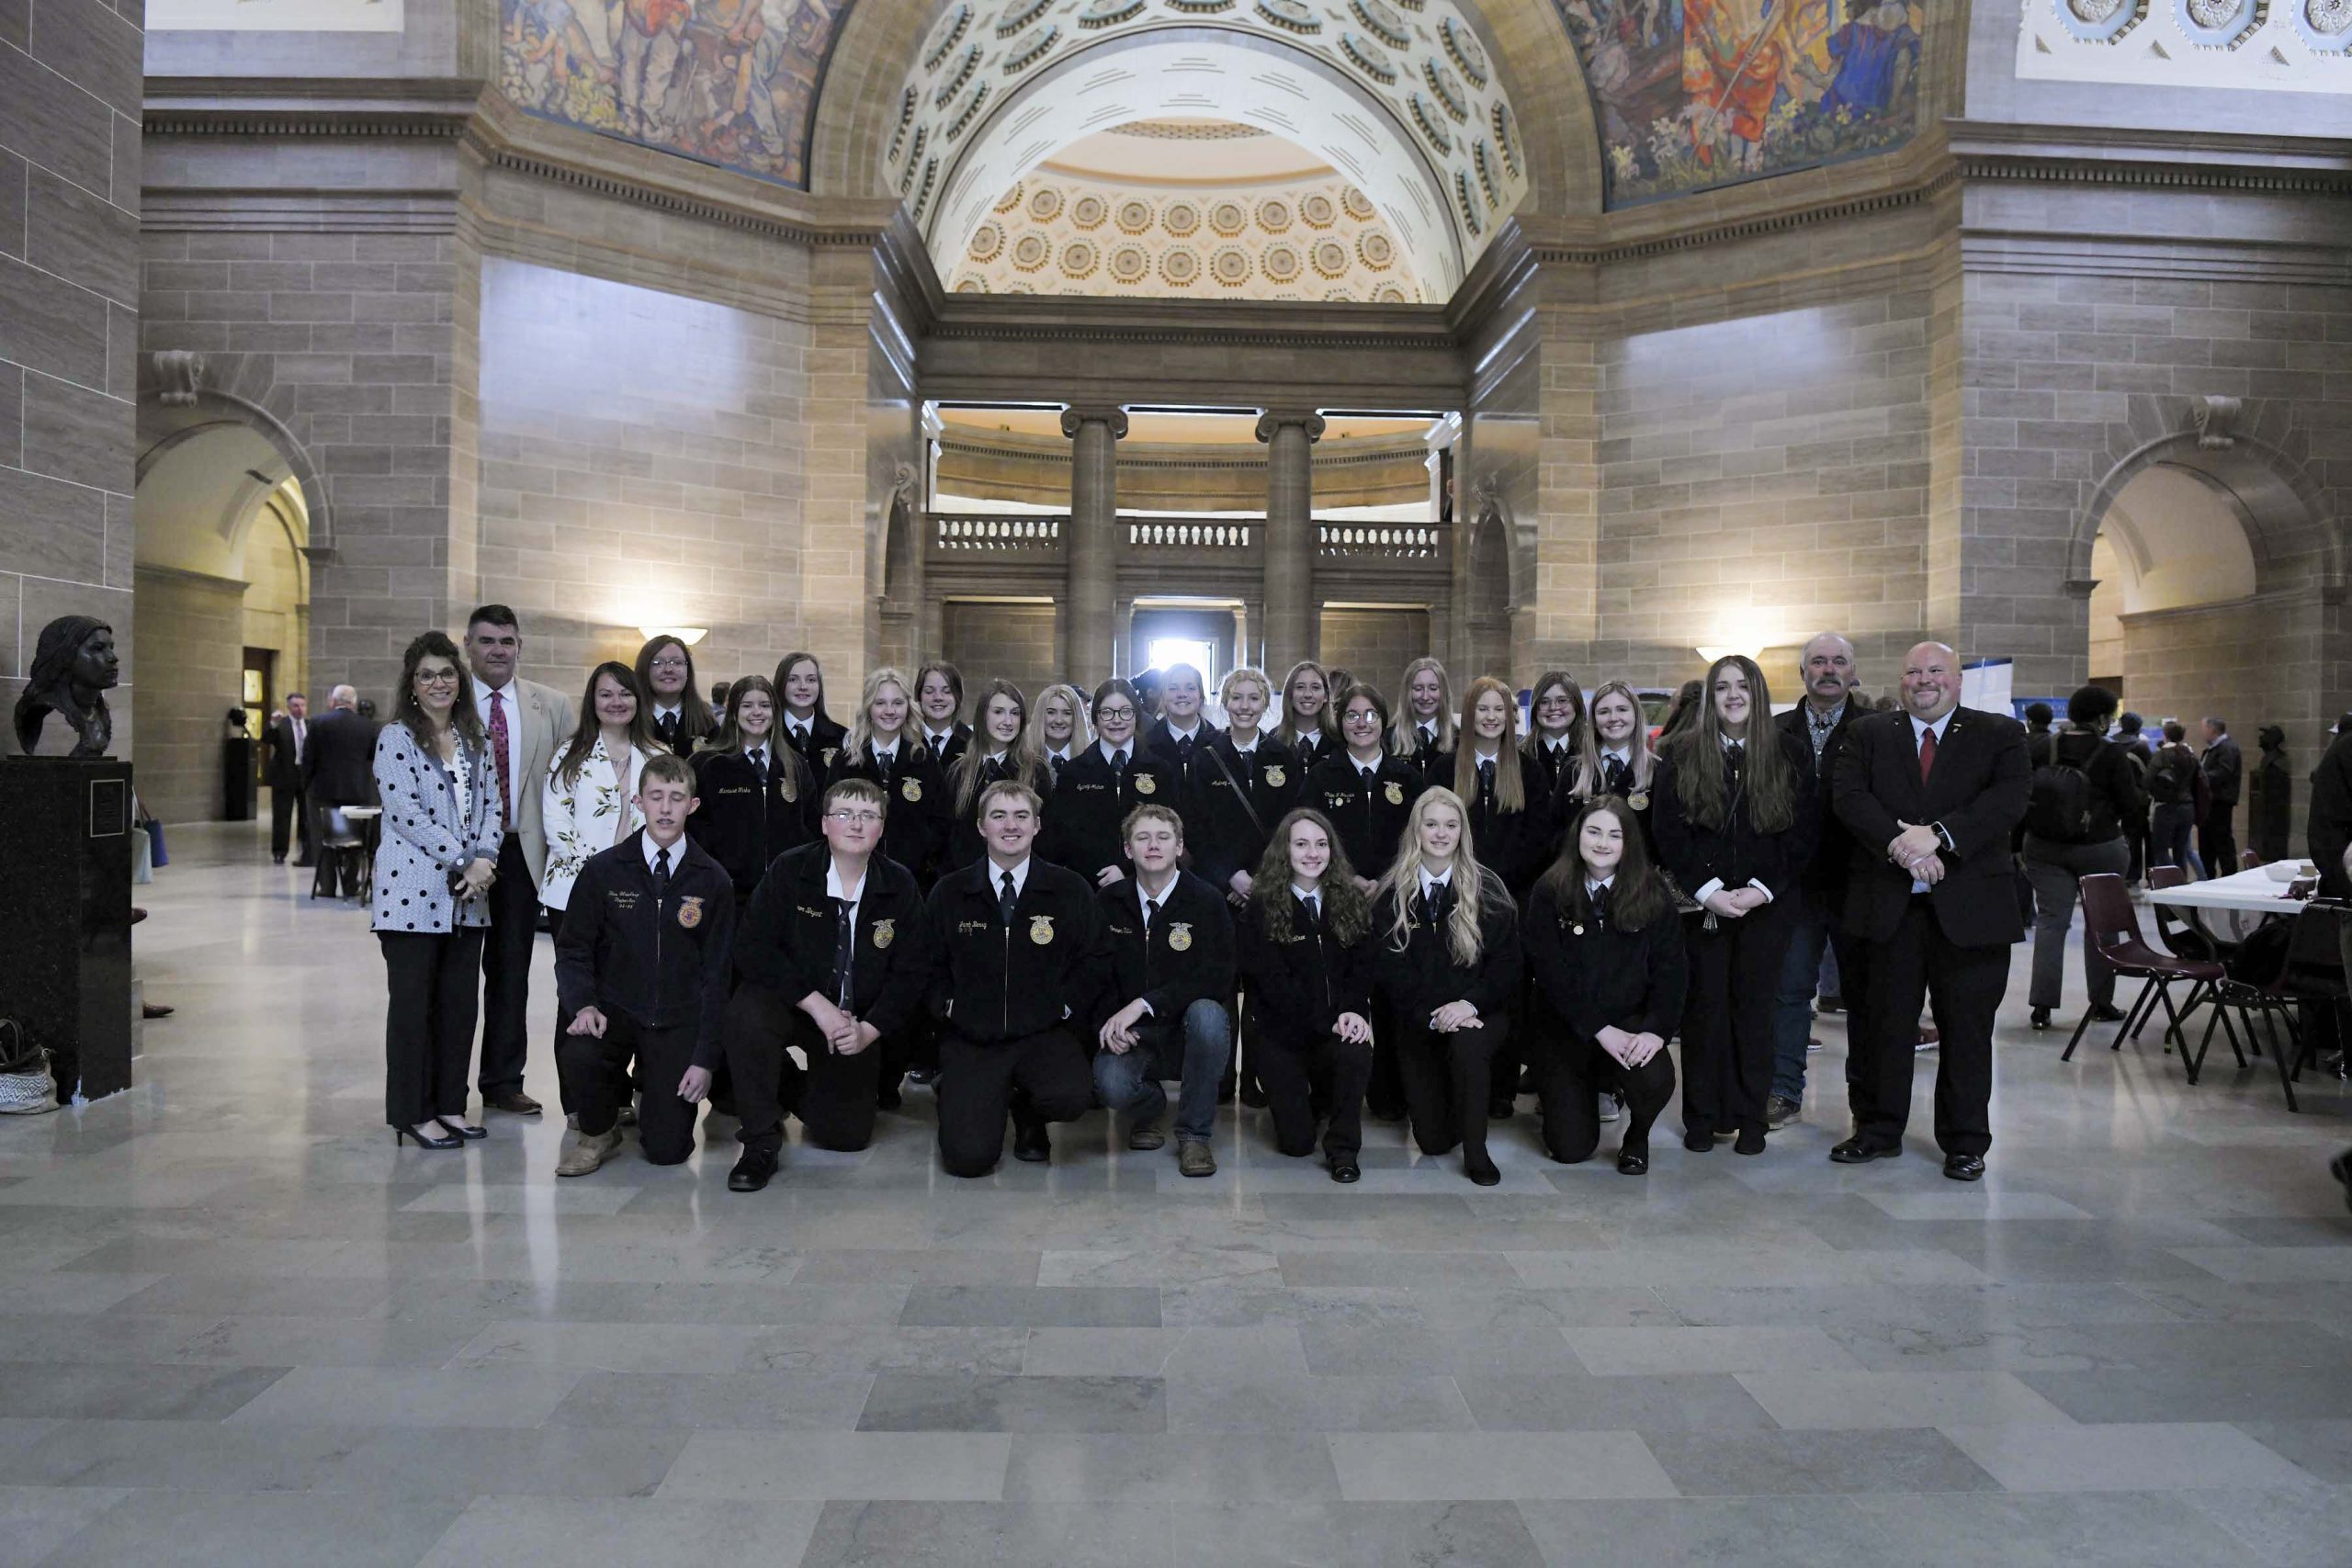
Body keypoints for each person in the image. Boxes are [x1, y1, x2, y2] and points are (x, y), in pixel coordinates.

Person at [1830, 640, 2030, 1182]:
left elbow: (2007, 802)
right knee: (1880, 1027)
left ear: (1958, 679)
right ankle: (1877, 1129)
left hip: (1971, 913)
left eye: (1936, 670)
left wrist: (1939, 838)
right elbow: (1849, 798)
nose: (1924, 680)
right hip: (1886, 910)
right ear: (1901, 682)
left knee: (1966, 1033)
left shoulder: (2000, 736)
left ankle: (1965, 1142)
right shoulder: (1869, 734)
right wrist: (1904, 847)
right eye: (1913, 672)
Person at [719, 778, 928, 1189]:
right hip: (797, 1005)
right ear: (824, 824)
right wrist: (816, 1005)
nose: (855, 824)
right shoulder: (790, 870)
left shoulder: (899, 884)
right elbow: (752, 947)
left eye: (868, 816)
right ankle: (761, 1139)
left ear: (882, 828)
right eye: (844, 814)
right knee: (747, 1014)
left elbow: (913, 971)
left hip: (855, 1023)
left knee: (845, 1136)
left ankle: (778, 1082)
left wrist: (868, 1031)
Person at [1653, 654, 1816, 1156]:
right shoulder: (1681, 753)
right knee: (1704, 1016)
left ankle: (1752, 1121)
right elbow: (1669, 832)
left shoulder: (1789, 752)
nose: (1732, 695)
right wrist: (1710, 892)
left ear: (1758, 692)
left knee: (1754, 1014)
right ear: (1711, 696)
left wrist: (1761, 888)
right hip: (1705, 906)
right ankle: (1702, 1118)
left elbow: (1803, 833)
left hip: (1767, 907)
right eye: (1722, 687)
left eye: (1742, 686)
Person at [552, 753, 736, 1176]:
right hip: (614, 1010)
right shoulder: (603, 871)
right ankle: (597, 1130)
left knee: (668, 1150)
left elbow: (717, 975)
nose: (666, 808)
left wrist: (705, 1059)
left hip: (676, 1019)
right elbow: (573, 949)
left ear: (693, 805)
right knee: (578, 1048)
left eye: (677, 798)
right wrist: (584, 1005)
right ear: (639, 802)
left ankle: (652, 1095)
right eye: (656, 797)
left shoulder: (712, 880)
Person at [922, 779, 1102, 1174]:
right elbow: (928, 964)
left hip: (1043, 1032)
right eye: (998, 816)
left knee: (1072, 1097)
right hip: (973, 1037)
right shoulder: (950, 892)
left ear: (1037, 825)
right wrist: (947, 1007)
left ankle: (1027, 1109)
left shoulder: (1070, 890)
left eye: (1021, 816)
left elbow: (1092, 962)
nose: (1011, 825)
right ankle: (963, 1092)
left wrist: (1066, 1006)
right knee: (968, 1160)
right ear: (981, 826)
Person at [370, 632, 502, 1150]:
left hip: (470, 898)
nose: (438, 682)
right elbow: (405, 813)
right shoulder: (396, 738)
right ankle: (412, 1112)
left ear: (459, 680)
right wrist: (466, 858)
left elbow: (493, 806)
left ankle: (450, 1103)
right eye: (427, 675)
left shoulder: (476, 740)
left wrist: (485, 860)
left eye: (447, 673)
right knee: (412, 1011)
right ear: (412, 684)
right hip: (411, 898)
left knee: (458, 1009)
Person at [1523, 797, 1684, 1174]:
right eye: (1593, 832)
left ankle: (1637, 1135)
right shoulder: (1550, 890)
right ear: (1578, 835)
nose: (1602, 843)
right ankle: (1578, 1091)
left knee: (1655, 1076)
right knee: (1570, 1149)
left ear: (1629, 843)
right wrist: (1598, 1029)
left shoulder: (1653, 892)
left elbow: (1672, 971)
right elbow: (1550, 975)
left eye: (1615, 835)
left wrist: (1656, 1031)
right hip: (1566, 1029)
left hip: (1629, 1024)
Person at [1369, 785, 1521, 1185]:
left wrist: (1467, 1007)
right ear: (1415, 830)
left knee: (1468, 1046)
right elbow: (1390, 974)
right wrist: (1433, 1018)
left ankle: (1477, 1151)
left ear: (1462, 832)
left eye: (1450, 825)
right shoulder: (1390, 894)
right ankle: (1455, 1106)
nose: (1440, 833)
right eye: (1431, 824)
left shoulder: (1490, 890)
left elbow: (1507, 968)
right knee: (1433, 1141)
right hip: (1420, 1020)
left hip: (1478, 1014)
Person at [468, 604, 577, 1117]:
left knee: (511, 971)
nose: (497, 650)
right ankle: (445, 1084)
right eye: (487, 640)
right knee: (457, 973)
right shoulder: (448, 700)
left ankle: (502, 1081)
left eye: (506, 641)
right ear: (469, 645)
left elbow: (569, 778)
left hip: (523, 850)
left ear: (519, 647)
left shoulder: (551, 705)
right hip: (461, 856)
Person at [540, 661, 662, 1119]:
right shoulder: (570, 754)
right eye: (606, 694)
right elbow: (557, 823)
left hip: (641, 893)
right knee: (576, 993)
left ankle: (618, 1094)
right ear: (593, 700)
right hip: (576, 892)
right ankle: (579, 1100)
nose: (616, 702)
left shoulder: (654, 753)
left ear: (638, 700)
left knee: (627, 991)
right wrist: (600, 880)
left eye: (625, 694)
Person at [1089, 804, 1237, 1177]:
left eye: (1163, 837)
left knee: (1209, 1014)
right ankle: (1149, 1108)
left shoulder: (1207, 901)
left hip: (1187, 1029)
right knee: (1110, 1085)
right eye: (1142, 838)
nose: (1153, 846)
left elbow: (1217, 978)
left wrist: (1145, 1004)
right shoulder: (1108, 903)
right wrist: (1108, 1024)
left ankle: (1194, 1134)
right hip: (1134, 1034)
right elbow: (1092, 974)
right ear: (1127, 850)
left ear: (1179, 846)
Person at [1237, 808, 1374, 1181]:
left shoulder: (1350, 900)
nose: (1312, 853)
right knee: (1296, 1144)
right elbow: (1272, 984)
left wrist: (1354, 1011)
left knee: (1357, 1048)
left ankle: (1344, 1149)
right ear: (1285, 851)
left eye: (1321, 844)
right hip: (1282, 1037)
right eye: (1301, 844)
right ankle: (1306, 1101)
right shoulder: (1260, 907)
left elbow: (1362, 968)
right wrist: (1325, 1024)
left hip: (1333, 1030)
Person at [1768, 633, 1868, 1130]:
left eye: (1839, 661)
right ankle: (1783, 1089)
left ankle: (1866, 1101)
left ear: (1853, 672)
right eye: (1819, 662)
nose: (1829, 669)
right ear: (1802, 671)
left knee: (1866, 998)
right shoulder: (1775, 731)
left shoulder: (1878, 729)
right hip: (1796, 886)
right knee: (1789, 991)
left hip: (1860, 885)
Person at [2020, 684, 2141, 1032]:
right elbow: (2129, 805)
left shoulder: (2043, 746)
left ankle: (2041, 1007)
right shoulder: (2111, 753)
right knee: (2101, 925)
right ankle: (2101, 1002)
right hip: (2099, 846)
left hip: (2044, 846)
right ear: (2102, 718)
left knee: (2050, 923)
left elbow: (2023, 795)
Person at [687, 673, 815, 905]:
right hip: (726, 894)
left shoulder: (795, 765)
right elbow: (695, 828)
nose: (757, 712)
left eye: (765, 705)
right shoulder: (707, 764)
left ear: (774, 712)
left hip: (785, 892)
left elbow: (811, 825)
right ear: (734, 713)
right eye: (747, 705)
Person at [1040, 678, 1182, 888]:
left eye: (1125, 711)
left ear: (1136, 716)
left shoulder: (1160, 770)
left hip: (1147, 884)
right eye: (1107, 712)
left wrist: (1126, 869)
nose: (1117, 720)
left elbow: (1171, 832)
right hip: (1089, 887)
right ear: (1095, 718)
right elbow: (1062, 838)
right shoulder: (1074, 772)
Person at [1184, 666, 1299, 909]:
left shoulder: (1283, 757)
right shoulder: (1205, 759)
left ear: (1266, 704)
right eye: (1236, 698)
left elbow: (1290, 822)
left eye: (1254, 698)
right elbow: (1196, 827)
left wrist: (1261, 877)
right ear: (1225, 702)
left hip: (1271, 883)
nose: (1245, 706)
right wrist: (1230, 875)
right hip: (1218, 887)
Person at [827, 666, 950, 887]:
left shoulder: (924, 760)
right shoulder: (846, 762)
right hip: (853, 878)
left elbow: (941, 820)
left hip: (913, 881)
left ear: (908, 707)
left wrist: (923, 859)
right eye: (880, 703)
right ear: (868, 708)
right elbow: (829, 814)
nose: (890, 711)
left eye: (897, 703)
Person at [1306, 682, 1428, 896]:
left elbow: (1422, 838)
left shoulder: (1408, 778)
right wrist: (1346, 877)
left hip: (1397, 891)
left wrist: (1391, 880)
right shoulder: (1320, 777)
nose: (1362, 723)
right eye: (1352, 716)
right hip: (1333, 891)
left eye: (1371, 715)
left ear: (1383, 720)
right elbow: (1304, 836)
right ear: (1341, 722)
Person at [944, 679, 1048, 873]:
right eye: (999, 712)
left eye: (1015, 713)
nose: (1008, 722)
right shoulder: (959, 771)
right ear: (983, 716)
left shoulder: (1035, 770)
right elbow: (949, 835)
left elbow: (1046, 835)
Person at [1524, 670, 1586, 837]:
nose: (1553, 708)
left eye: (1562, 701)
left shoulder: (1593, 752)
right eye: (1544, 702)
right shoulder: (1520, 754)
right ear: (1535, 708)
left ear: (1577, 704)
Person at [302, 683, 377, 813]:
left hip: (323, 788)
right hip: (356, 788)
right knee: (353, 830)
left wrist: (305, 784)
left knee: (323, 830)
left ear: (334, 700)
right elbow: (373, 757)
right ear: (354, 702)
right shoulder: (368, 726)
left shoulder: (318, 722)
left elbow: (308, 757)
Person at [775, 650, 848, 777]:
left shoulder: (842, 738)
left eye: (811, 679)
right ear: (781, 684)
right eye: (793, 679)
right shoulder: (769, 734)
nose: (803, 686)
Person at [2147, 720, 2205, 877]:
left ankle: (2171, 882)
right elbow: (2200, 780)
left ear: (2165, 735)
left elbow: (2148, 779)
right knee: (2181, 851)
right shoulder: (2190, 755)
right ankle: (2182, 888)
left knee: (2160, 850)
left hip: (2166, 806)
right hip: (2187, 806)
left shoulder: (2162, 755)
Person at [265, 693, 311, 864]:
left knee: (306, 815)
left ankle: (307, 850)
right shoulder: (281, 725)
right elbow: (266, 739)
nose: (300, 709)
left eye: (302, 705)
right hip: (284, 776)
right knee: (282, 816)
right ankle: (279, 851)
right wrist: (272, 724)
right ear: (289, 708)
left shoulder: (310, 725)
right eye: (296, 706)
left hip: (304, 776)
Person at [1143, 662, 1219, 768]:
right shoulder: (1146, 744)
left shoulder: (1219, 744)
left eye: (1190, 688)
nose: (1182, 694)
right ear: (1163, 697)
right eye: (1173, 688)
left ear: (1200, 696)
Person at [1391, 656, 1455, 777]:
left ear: (1443, 692)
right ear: (1407, 693)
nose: (1425, 696)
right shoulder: (1388, 739)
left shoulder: (1459, 739)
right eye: (1418, 688)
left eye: (1433, 688)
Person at [1273, 660, 1337, 772]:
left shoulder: (1339, 742)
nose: (1308, 694)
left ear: (1326, 696)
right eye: (1300, 687)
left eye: (1315, 687)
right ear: (1290, 694)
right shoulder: (1272, 741)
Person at [2200, 716, 2244, 874]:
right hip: (2209, 802)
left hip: (2220, 802)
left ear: (2212, 729)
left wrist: (2201, 776)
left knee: (2222, 841)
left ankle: (2229, 874)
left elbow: (2223, 773)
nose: (2202, 732)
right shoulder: (2213, 748)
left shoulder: (2227, 748)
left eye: (2204, 728)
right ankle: (2208, 876)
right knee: (2207, 844)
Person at [1029, 682, 1090, 787]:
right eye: (1051, 712)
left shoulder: (1091, 763)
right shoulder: (1023, 764)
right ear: (1041, 716)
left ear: (1076, 718)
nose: (1059, 720)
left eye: (1067, 713)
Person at [914, 661, 971, 767]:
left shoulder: (972, 744)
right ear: (919, 696)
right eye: (929, 691)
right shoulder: (906, 739)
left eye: (947, 691)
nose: (938, 697)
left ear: (958, 697)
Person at [2251, 724, 2291, 863]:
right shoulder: (2268, 760)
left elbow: (2276, 798)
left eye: (2265, 735)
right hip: (2266, 816)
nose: (2261, 738)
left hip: (2274, 817)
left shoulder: (2276, 763)